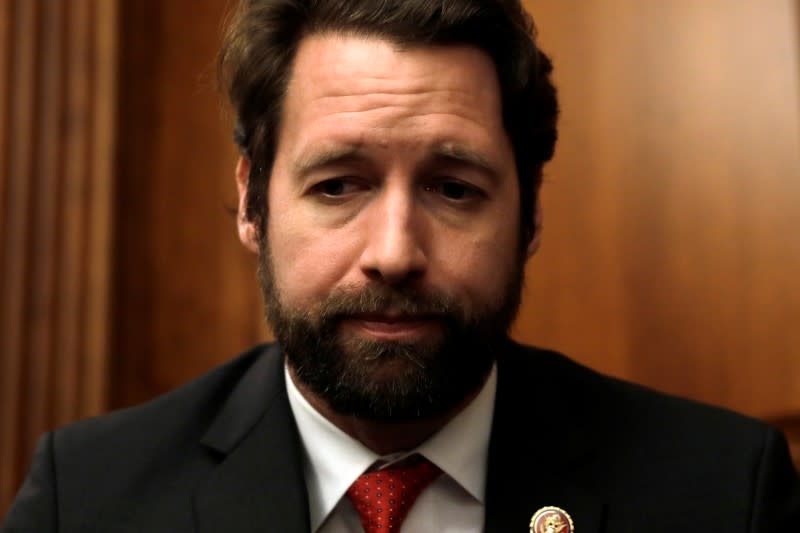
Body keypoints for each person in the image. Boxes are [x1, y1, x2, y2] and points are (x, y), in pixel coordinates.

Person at [3, 0, 800, 531]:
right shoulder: (90, 499)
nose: (394, 252)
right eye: (338, 184)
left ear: (530, 212)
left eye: (454, 188)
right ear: (252, 204)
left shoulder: (724, 493)